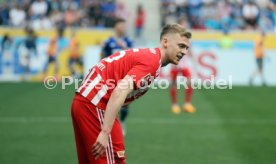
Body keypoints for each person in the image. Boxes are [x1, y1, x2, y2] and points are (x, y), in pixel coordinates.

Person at [71, 23, 192, 164]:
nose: (184, 52)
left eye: (186, 48)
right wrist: (105, 132)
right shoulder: (151, 62)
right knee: (115, 160)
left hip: (87, 102)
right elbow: (120, 90)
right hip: (95, 104)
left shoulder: (150, 57)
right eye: (181, 46)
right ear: (165, 42)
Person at [101, 18, 133, 136]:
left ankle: (122, 122)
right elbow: (103, 57)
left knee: (124, 102)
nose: (123, 28)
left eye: (124, 26)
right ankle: (108, 126)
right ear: (116, 27)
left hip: (125, 77)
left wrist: (124, 47)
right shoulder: (108, 41)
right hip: (111, 77)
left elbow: (133, 56)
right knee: (108, 102)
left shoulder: (128, 41)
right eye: (121, 25)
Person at [170, 18, 196, 114]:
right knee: (174, 84)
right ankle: (175, 105)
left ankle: (187, 104)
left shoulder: (188, 38)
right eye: (183, 25)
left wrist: (193, 60)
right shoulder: (174, 37)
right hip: (175, 63)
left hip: (185, 64)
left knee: (189, 82)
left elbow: (190, 49)